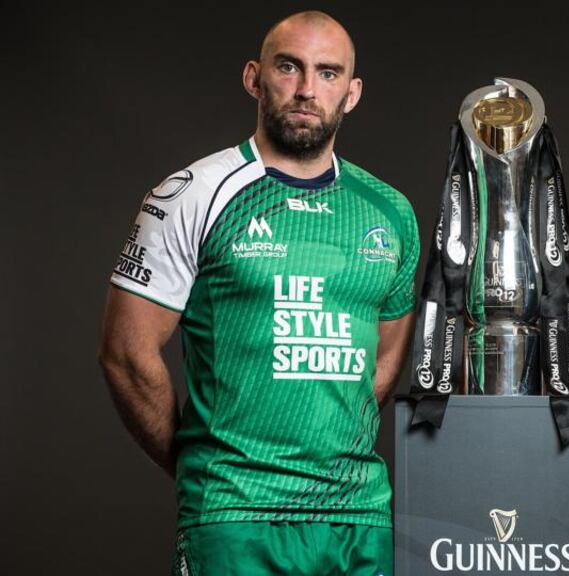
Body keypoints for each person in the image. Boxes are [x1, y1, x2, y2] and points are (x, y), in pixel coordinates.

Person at [98, 11, 418, 575]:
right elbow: (125, 354)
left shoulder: (389, 211)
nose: (305, 89)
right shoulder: (192, 195)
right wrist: (202, 467)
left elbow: (387, 355)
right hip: (234, 515)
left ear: (352, 92)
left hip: (356, 516)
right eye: (289, 67)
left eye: (327, 73)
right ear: (254, 77)